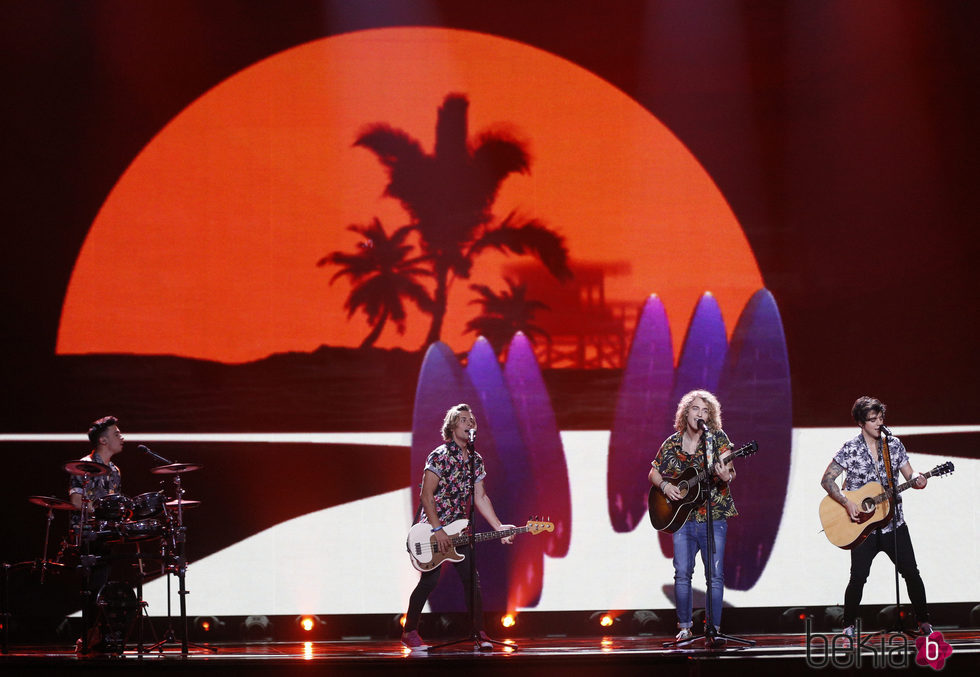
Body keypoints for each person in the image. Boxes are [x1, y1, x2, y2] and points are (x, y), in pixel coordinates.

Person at [401, 403, 514, 651]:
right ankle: (410, 631)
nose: (470, 423)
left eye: (472, 419)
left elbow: (480, 497)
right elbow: (426, 496)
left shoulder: (475, 459)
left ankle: (479, 633)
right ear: (452, 426)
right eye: (464, 419)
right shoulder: (439, 455)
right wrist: (438, 530)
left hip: (459, 530)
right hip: (433, 529)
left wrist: (499, 527)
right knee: (429, 581)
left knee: (471, 581)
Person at [819, 396, 932, 637]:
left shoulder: (894, 445)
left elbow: (910, 474)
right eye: (872, 420)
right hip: (863, 528)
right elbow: (827, 480)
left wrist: (918, 480)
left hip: (894, 523)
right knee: (858, 577)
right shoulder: (850, 449)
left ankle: (924, 622)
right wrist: (847, 502)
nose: (878, 423)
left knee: (911, 573)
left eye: (881, 418)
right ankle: (848, 625)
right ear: (861, 423)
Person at [648, 390, 736, 644]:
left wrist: (725, 475)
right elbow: (653, 472)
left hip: (714, 516)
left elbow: (729, 469)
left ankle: (714, 629)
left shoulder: (716, 438)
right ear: (686, 412)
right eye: (696, 409)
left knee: (715, 576)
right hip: (682, 519)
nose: (700, 414)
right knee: (682, 573)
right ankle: (684, 627)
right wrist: (665, 486)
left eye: (705, 411)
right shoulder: (672, 442)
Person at [68, 415, 126, 655]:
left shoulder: (115, 471)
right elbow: (76, 499)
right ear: (103, 440)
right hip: (88, 533)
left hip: (106, 533)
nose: (122, 437)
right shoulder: (85, 467)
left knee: (103, 587)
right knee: (93, 586)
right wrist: (101, 509)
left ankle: (98, 635)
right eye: (116, 434)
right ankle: (88, 635)